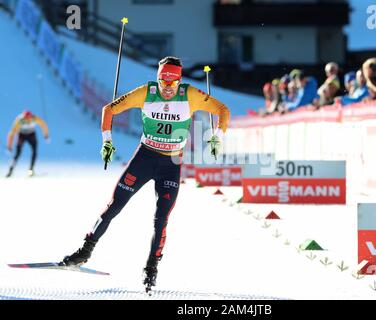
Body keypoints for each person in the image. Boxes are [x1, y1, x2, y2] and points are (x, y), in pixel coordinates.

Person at [61, 56, 230, 294]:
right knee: (114, 206)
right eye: (163, 82)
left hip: (171, 163)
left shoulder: (190, 94)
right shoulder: (146, 92)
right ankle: (84, 252)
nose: (167, 89)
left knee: (161, 219)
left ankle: (151, 269)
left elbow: (222, 110)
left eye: (172, 84)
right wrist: (107, 141)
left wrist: (218, 136)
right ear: (158, 78)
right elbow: (109, 109)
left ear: (179, 81)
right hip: (144, 158)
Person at [6, 110, 49, 178]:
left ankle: (31, 169)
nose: (28, 120)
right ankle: (11, 170)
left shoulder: (34, 118)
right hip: (22, 135)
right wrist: (9, 146)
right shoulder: (19, 120)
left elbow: (43, 124)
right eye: (26, 118)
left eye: (29, 118)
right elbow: (12, 133)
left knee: (34, 151)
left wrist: (46, 135)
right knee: (17, 153)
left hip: (31, 134)